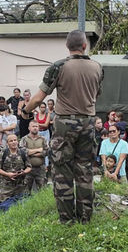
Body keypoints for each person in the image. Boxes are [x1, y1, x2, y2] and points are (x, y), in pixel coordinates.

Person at [21, 30, 102, 223]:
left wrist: (25, 110)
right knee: (85, 169)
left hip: (65, 123)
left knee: (62, 170)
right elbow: (96, 95)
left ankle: (67, 219)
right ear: (84, 46)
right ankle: (85, 217)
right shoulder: (97, 67)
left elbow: (39, 97)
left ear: (67, 46)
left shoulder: (59, 66)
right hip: (89, 121)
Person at [0, 134, 32, 211]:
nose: (13, 142)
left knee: (21, 206)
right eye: (11, 141)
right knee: (2, 207)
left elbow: (29, 167)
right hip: (6, 186)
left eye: (15, 140)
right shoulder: (4, 153)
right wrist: (7, 174)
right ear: (7, 143)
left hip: (20, 186)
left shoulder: (23, 152)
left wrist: (24, 172)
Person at [20, 120, 48, 192]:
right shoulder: (24, 139)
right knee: (25, 192)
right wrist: (39, 150)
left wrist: (31, 152)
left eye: (36, 126)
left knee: (43, 191)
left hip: (40, 169)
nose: (35, 128)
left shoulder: (43, 139)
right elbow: (23, 152)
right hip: (27, 169)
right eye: (33, 126)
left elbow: (47, 151)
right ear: (29, 128)